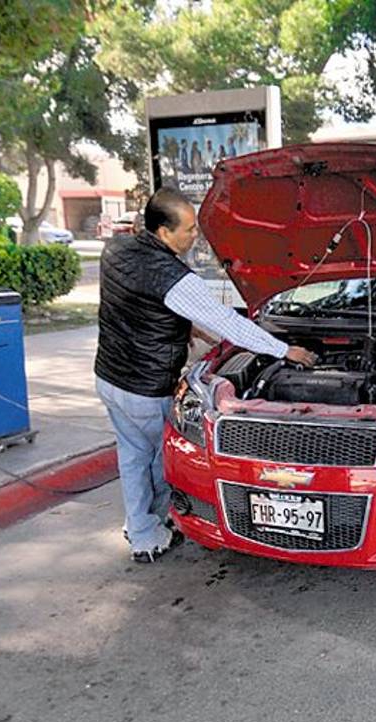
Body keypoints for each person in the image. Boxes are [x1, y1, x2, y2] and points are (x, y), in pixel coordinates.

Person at [94, 187, 317, 562]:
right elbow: (230, 323)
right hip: (145, 387)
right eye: (189, 229)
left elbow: (132, 307)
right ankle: (154, 531)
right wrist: (284, 350)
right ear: (163, 233)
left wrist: (183, 329)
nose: (195, 236)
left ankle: (139, 526)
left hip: (109, 377)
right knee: (155, 459)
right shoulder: (173, 277)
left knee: (131, 455)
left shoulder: (117, 250)